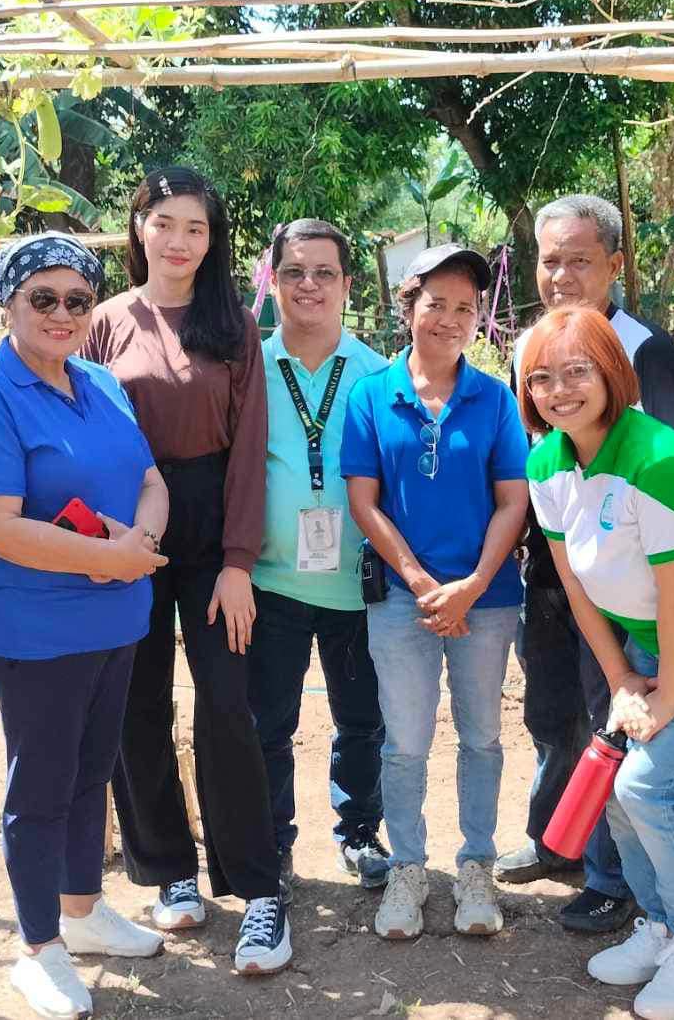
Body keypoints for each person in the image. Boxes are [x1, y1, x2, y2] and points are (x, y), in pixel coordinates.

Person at [0, 234, 174, 1019]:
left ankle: (81, 911)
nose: (62, 313)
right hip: (38, 631)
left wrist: (140, 541)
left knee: (91, 771)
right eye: (42, 298)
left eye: (78, 299)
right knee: (40, 787)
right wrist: (102, 559)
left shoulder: (103, 383)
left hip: (117, 617)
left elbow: (150, 478)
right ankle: (38, 945)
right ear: (6, 302)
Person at [84, 166, 290, 974]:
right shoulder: (102, 322)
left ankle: (259, 887)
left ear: (215, 239)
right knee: (136, 702)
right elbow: (90, 431)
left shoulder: (235, 325)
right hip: (128, 520)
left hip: (211, 528)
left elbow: (248, 454)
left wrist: (238, 562)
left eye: (196, 228)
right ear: (138, 227)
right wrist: (100, 542)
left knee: (227, 704)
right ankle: (170, 869)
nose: (179, 241)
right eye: (164, 222)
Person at [518, 308, 674, 1020]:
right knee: (615, 781)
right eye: (542, 378)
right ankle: (663, 924)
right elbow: (578, 589)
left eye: (577, 371)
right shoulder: (546, 460)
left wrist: (665, 697)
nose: (559, 390)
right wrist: (619, 680)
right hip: (640, 646)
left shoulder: (660, 459)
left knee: (646, 784)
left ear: (613, 371)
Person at [498, 194, 674, 936]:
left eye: (580, 259)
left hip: (635, 586)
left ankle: (617, 882)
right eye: (550, 260)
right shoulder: (534, 345)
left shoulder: (647, 351)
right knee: (555, 713)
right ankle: (568, 839)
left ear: (616, 265)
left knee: (618, 728)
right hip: (562, 571)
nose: (561, 274)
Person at [341, 243, 530, 941]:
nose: (449, 319)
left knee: (482, 735)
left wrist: (474, 584)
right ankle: (410, 869)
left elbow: (513, 499)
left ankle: (476, 865)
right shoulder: (372, 395)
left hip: (487, 597)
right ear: (407, 307)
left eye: (464, 308)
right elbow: (364, 500)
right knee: (406, 741)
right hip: (401, 598)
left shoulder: (496, 397)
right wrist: (422, 582)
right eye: (436, 304)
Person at [246, 219, 394, 892]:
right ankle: (273, 841)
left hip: (356, 585)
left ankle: (359, 832)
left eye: (324, 273)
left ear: (347, 285)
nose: (309, 285)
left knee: (361, 721)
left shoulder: (377, 375)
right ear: (272, 282)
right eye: (295, 272)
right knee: (267, 724)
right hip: (269, 581)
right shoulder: (247, 367)